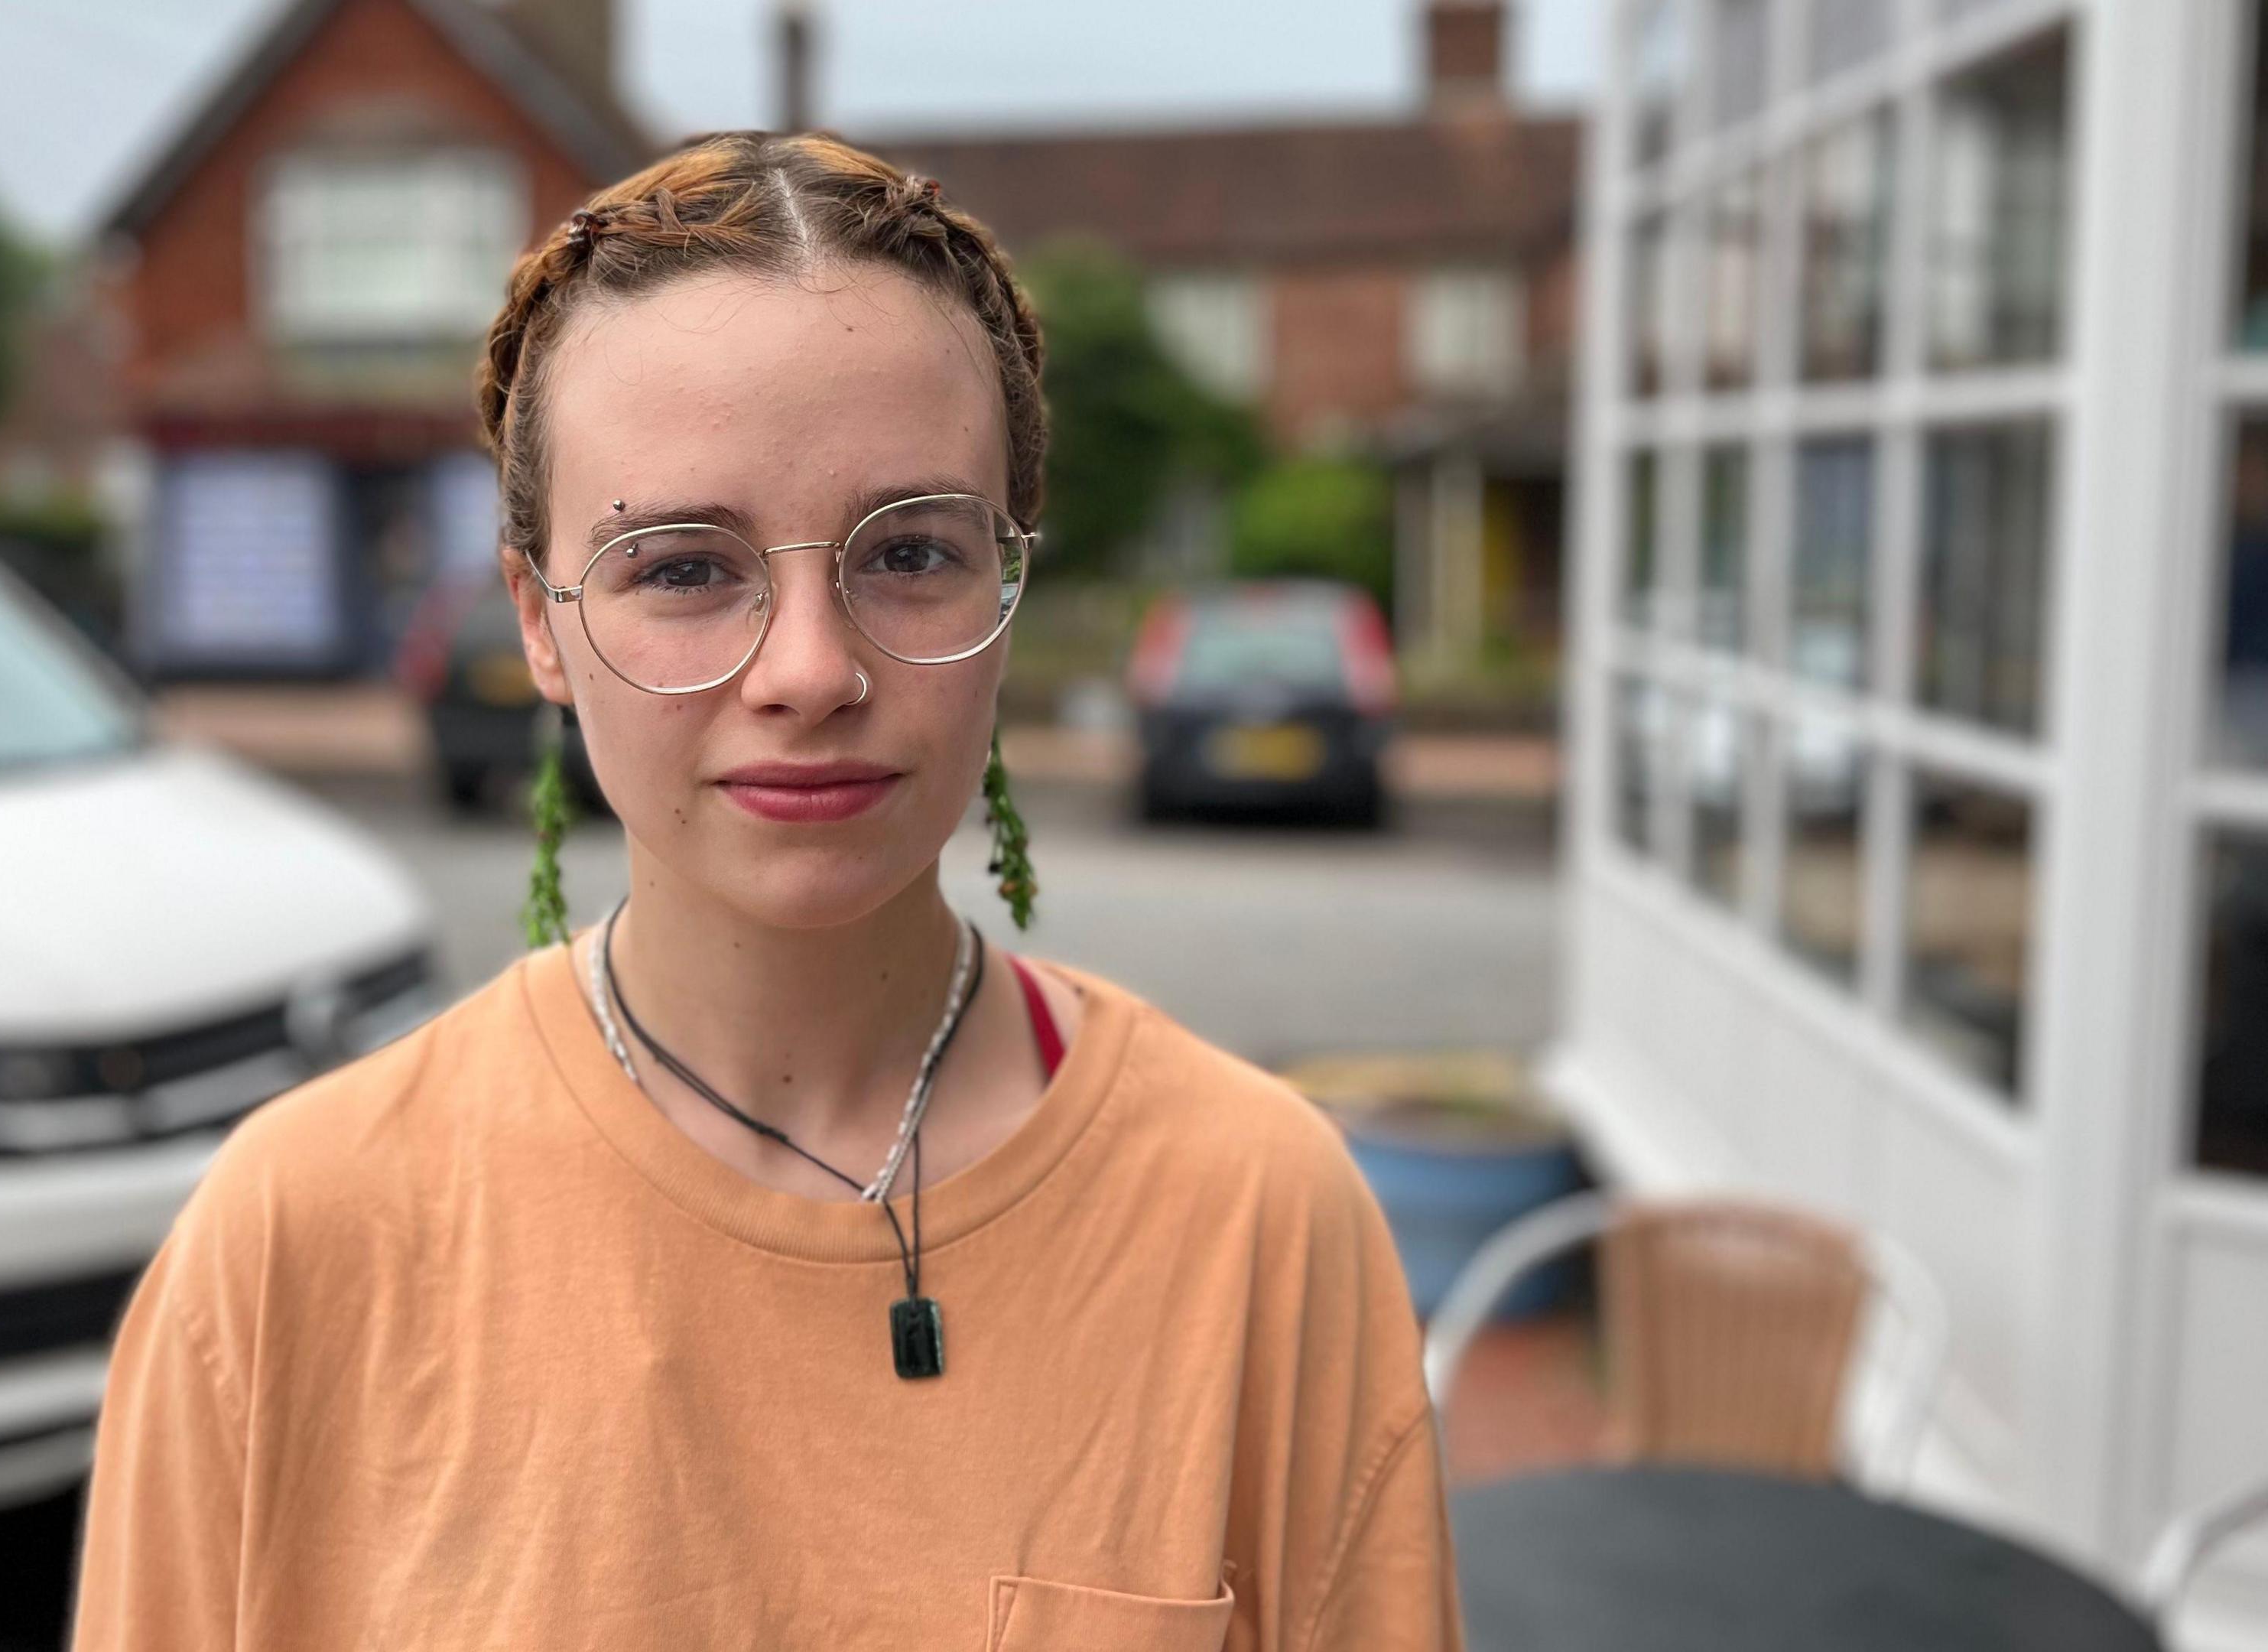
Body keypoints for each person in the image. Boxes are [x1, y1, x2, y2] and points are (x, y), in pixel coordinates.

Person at [73, 131, 1461, 1651]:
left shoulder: (1257, 1215)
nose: (810, 670)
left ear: (1009, 591)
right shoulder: (291, 1245)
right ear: (540, 620)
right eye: (683, 566)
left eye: (911, 551)